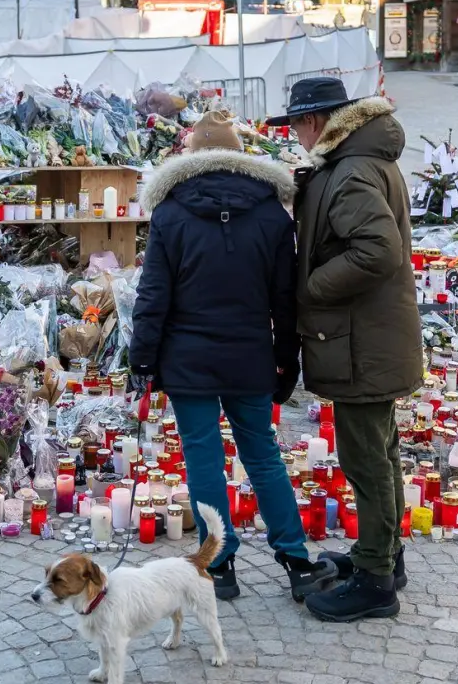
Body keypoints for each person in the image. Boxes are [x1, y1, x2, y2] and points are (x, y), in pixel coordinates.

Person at [128, 110, 337, 603]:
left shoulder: (172, 211)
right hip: (249, 356)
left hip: (188, 359)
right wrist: (287, 359)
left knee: (203, 457)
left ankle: (218, 566)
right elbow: (284, 298)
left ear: (192, 158)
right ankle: (296, 560)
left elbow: (153, 294)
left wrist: (142, 361)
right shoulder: (270, 212)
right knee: (263, 455)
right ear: (238, 157)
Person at [266, 77, 421, 623]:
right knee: (380, 453)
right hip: (368, 337)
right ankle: (381, 557)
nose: (297, 138)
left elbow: (378, 250)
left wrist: (311, 287)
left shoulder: (353, 169)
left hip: (363, 341)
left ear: (316, 123)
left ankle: (377, 582)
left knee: (366, 460)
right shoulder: (359, 160)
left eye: (297, 127)